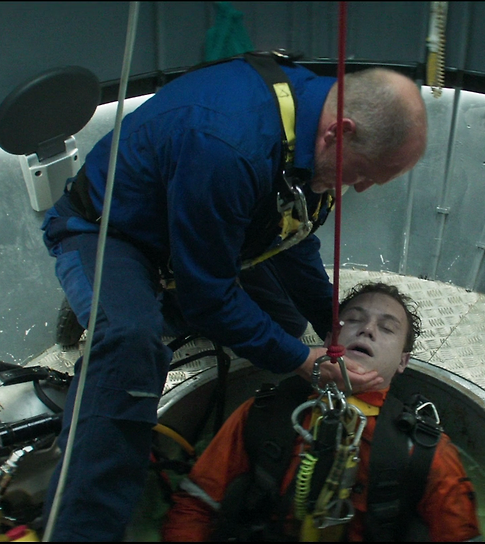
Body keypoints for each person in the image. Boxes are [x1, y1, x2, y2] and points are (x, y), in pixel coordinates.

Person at [39, 53, 429, 541]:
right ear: (340, 132)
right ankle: (80, 528)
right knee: (132, 343)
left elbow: (292, 233)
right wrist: (302, 361)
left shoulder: (309, 122)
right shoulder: (227, 144)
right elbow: (210, 297)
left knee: (281, 328)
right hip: (111, 232)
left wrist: (332, 322)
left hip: (204, 223)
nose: (364, 188)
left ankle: (161, 299)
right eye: (363, 173)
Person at [161, 282, 480, 541]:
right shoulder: (264, 415)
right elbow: (195, 506)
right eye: (353, 319)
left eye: (387, 328)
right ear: (329, 339)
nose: (367, 330)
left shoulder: (423, 451)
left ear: (403, 361)